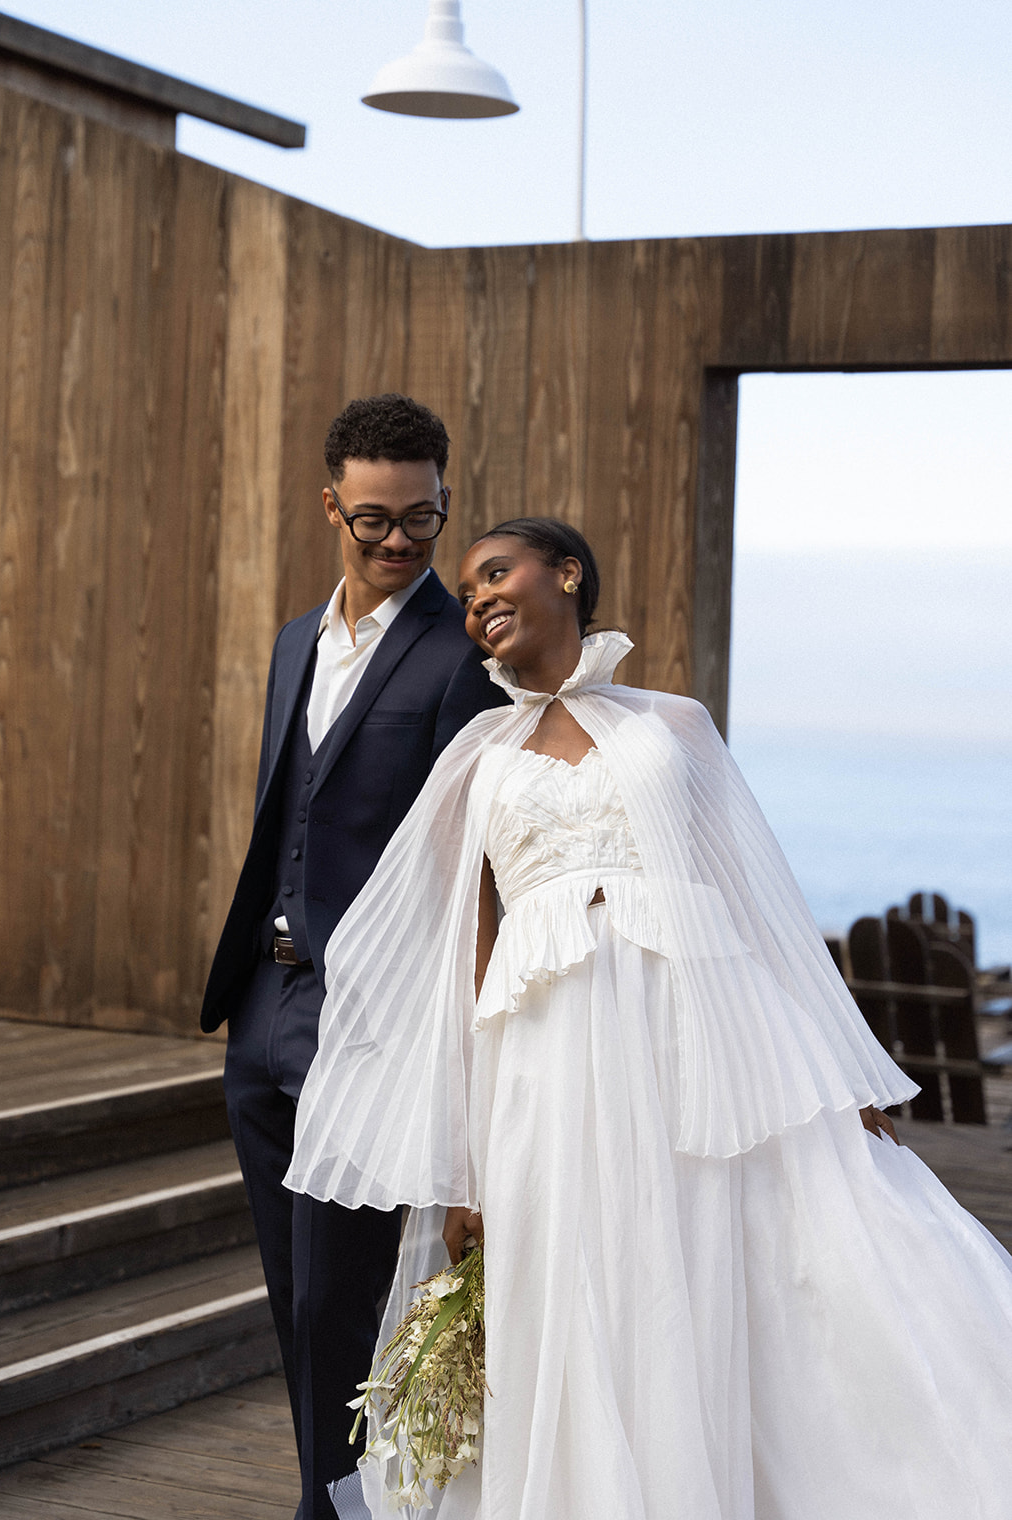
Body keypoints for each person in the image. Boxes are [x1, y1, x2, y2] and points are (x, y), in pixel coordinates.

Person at [286, 516, 1012, 1520]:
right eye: (466, 590)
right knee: (575, 1284)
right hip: (544, 1055)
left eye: (497, 571)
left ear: (567, 574)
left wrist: (838, 1073)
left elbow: (763, 908)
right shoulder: (476, 759)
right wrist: (463, 1158)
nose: (479, 597)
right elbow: (472, 951)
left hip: (699, 1035)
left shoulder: (673, 726)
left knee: (767, 1257)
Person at [200, 395, 505, 1520]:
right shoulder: (295, 640)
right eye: (371, 517)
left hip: (369, 1019)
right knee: (290, 1295)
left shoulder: (458, 656)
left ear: (442, 504)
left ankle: (334, 1511)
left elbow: (474, 857)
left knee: (344, 1294)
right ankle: (325, 1497)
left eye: (419, 521)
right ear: (330, 503)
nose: (394, 542)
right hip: (263, 1010)